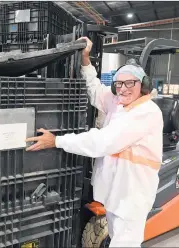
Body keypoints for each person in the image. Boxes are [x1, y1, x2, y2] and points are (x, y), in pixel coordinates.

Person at [25, 37, 164, 247]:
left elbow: (102, 142)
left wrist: (57, 141)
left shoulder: (146, 113)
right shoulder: (119, 103)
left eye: (130, 83)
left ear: (142, 85)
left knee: (125, 242)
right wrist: (85, 60)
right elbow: (96, 90)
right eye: (118, 84)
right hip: (116, 192)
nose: (123, 89)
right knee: (116, 235)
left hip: (132, 193)